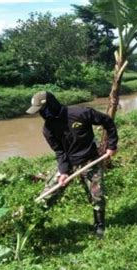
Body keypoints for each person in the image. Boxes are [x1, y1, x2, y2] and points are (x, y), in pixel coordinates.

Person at [27, 91, 118, 237]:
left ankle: (99, 224)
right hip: (69, 164)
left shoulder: (80, 113)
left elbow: (107, 121)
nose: (42, 114)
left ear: (51, 105)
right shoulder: (48, 129)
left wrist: (112, 146)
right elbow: (60, 152)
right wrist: (63, 172)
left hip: (90, 160)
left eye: (42, 110)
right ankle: (33, 226)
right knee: (48, 194)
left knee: (97, 194)